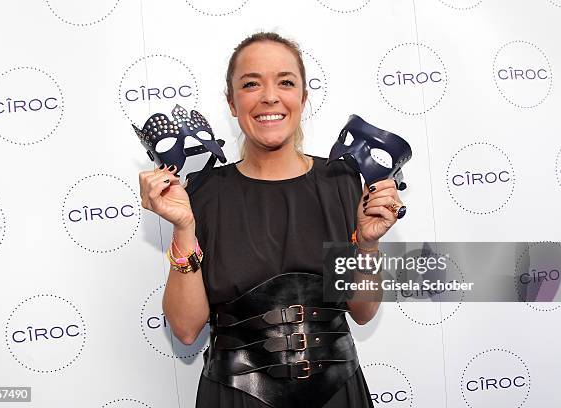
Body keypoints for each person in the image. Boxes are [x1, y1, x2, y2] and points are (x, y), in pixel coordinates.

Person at [138, 32, 405, 408]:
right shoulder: (202, 193)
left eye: (285, 82)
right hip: (235, 397)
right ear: (231, 103)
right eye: (251, 84)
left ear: (303, 97)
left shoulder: (342, 183)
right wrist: (184, 228)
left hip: (337, 395)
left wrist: (368, 244)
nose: (269, 97)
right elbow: (184, 329)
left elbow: (362, 311)